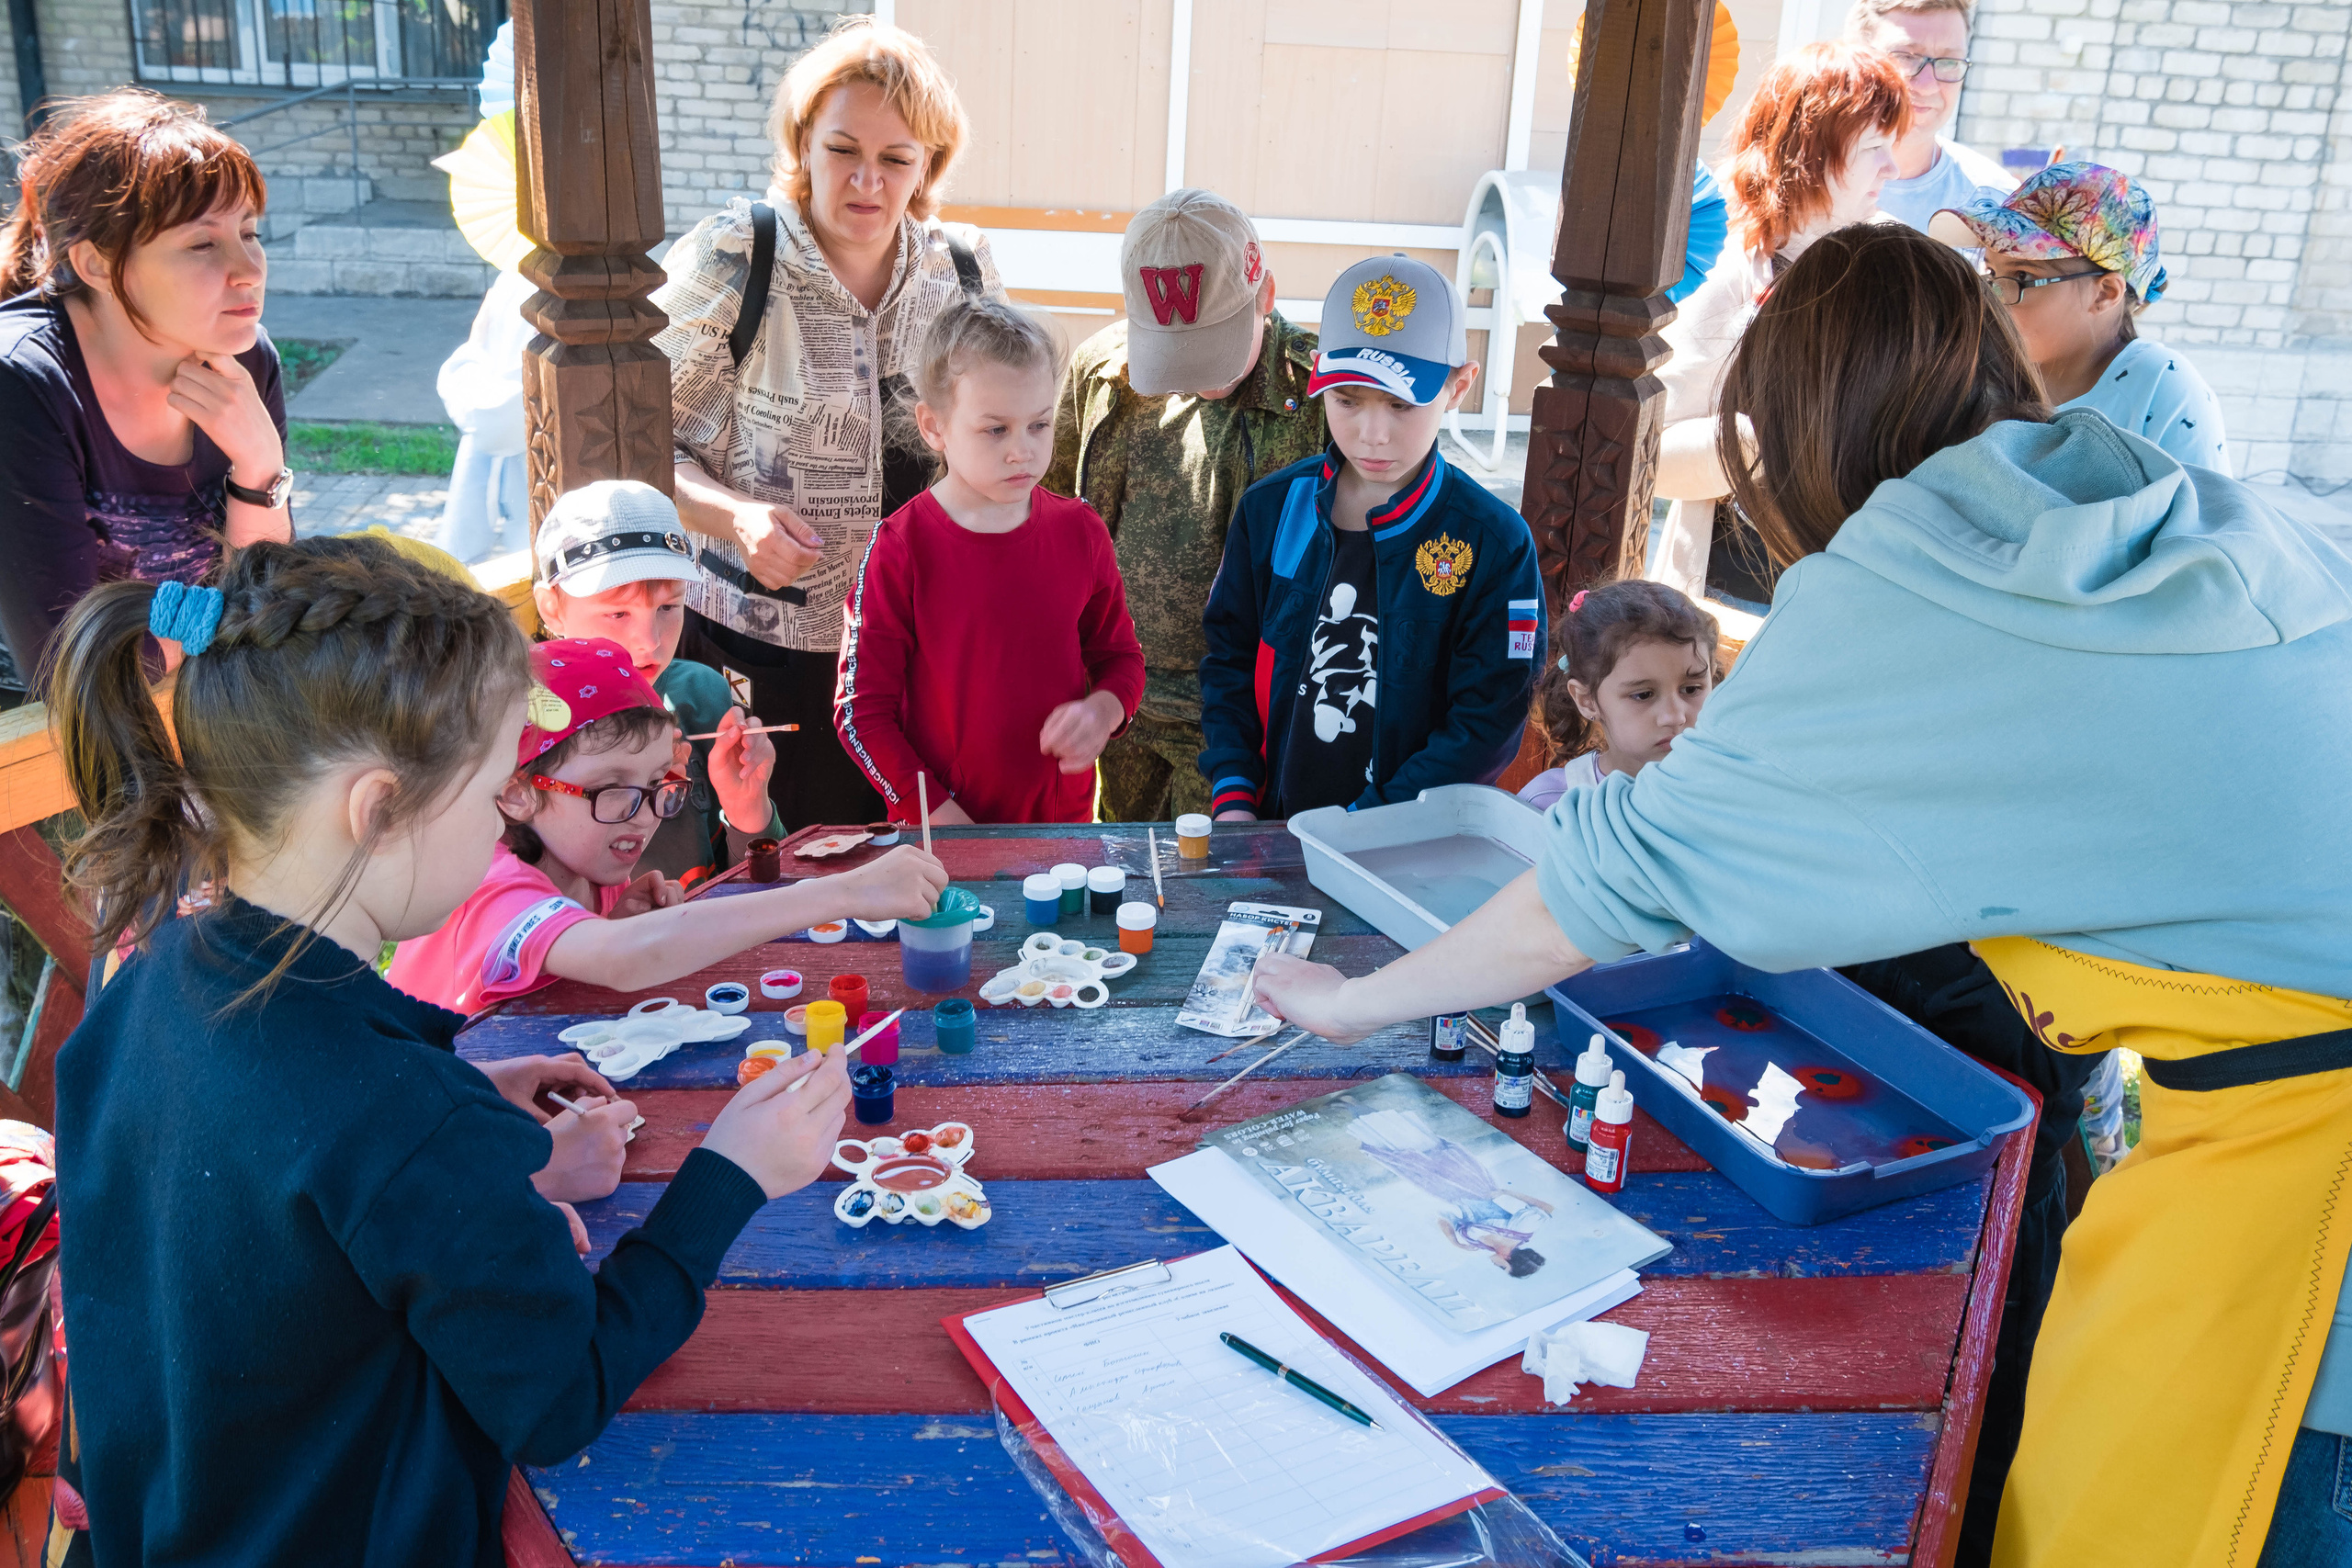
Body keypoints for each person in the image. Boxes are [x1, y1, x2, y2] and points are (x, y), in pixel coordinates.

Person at [1253, 224, 2352, 1568]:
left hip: (2312, 1221)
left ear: (1799, 431)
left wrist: (1353, 1002)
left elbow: (1605, 884)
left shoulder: (1908, 584)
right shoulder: (2128, 490)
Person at [42, 535, 860, 1563]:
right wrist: (729, 1176)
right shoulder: (403, 1121)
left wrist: (462, 1086)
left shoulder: (154, 979)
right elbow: (559, 1395)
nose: (499, 825)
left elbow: (267, 1179)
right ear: (379, 809)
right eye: (490, 793)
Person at [653, 17, 1000, 830]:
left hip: (918, 654)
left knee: (920, 861)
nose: (866, 181)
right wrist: (737, 518)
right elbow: (638, 447)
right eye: (843, 149)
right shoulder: (736, 257)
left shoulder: (962, 273)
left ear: (928, 166)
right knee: (782, 865)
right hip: (764, 652)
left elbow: (993, 441)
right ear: (803, 143)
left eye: (896, 159)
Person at [387, 637, 945, 1016]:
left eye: (659, 782)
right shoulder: (489, 887)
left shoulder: (584, 864)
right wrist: (845, 891)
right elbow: (625, 959)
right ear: (517, 793)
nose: (646, 812)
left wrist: (612, 919)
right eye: (612, 787)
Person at [1199, 256, 1545, 820]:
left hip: (1404, 843)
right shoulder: (1270, 510)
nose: (1372, 434)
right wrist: (1235, 791)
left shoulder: (1495, 544)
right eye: (1347, 400)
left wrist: (1370, 825)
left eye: (1401, 404)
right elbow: (1228, 661)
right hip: (1267, 825)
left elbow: (1487, 721)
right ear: (1318, 375)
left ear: (1459, 385)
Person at [0, 88, 293, 708]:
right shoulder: (22, 385)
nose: (249, 269)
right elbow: (71, 666)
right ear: (97, 265)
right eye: (202, 244)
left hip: (198, 705)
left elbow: (274, 602)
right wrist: (233, 631)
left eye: (249, 232)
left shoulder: (245, 358)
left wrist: (259, 468)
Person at [1043, 188, 1328, 823]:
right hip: (1121, 704)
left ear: (1266, 295)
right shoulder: (1102, 371)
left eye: (1212, 348)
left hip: (1241, 717)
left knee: (1219, 872)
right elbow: (1052, 511)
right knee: (1123, 861)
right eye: (1174, 352)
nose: (1196, 376)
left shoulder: (1320, 396)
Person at [835, 297, 1146, 824]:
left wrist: (1104, 710)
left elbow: (1121, 659)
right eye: (996, 429)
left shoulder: (1081, 531)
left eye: (1039, 425)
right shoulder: (901, 547)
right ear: (934, 426)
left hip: (1061, 839)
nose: (1022, 450)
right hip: (942, 841)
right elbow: (859, 714)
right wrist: (938, 817)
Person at [1651, 41, 1906, 609]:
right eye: (1873, 147)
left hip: (1866, 590)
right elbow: (1655, 454)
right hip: (1735, 599)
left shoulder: (1899, 262)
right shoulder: (1729, 274)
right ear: (1808, 151)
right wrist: (1769, 437)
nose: (1893, 167)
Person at [529, 479, 786, 884]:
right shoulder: (525, 723)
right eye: (618, 614)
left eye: (668, 607)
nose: (649, 641)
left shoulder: (702, 697)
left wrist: (749, 811)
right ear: (552, 608)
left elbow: (760, 892)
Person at [1933, 163, 2231, 473]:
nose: (1994, 298)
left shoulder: (2162, 385)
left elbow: (2208, 503)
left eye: (2022, 276)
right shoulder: (1985, 372)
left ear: (2105, 293)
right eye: (1992, 273)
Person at [1517, 579, 1718, 812]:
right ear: (1586, 700)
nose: (1675, 716)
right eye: (1643, 695)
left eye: (1691, 689)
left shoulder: (1729, 795)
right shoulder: (1551, 805)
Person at [1845, 0, 2016, 232]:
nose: (1927, 85)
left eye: (1949, 62)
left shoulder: (1995, 204)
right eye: (1905, 57)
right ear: (1854, 59)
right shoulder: (1801, 182)